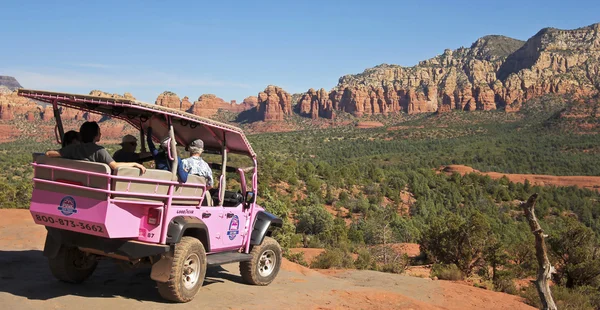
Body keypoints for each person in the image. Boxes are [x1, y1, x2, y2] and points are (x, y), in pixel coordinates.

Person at [45, 121, 146, 174]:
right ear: (96, 136)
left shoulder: (72, 149)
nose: (101, 134)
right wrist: (135, 164)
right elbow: (115, 166)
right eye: (99, 132)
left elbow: (49, 154)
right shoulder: (99, 151)